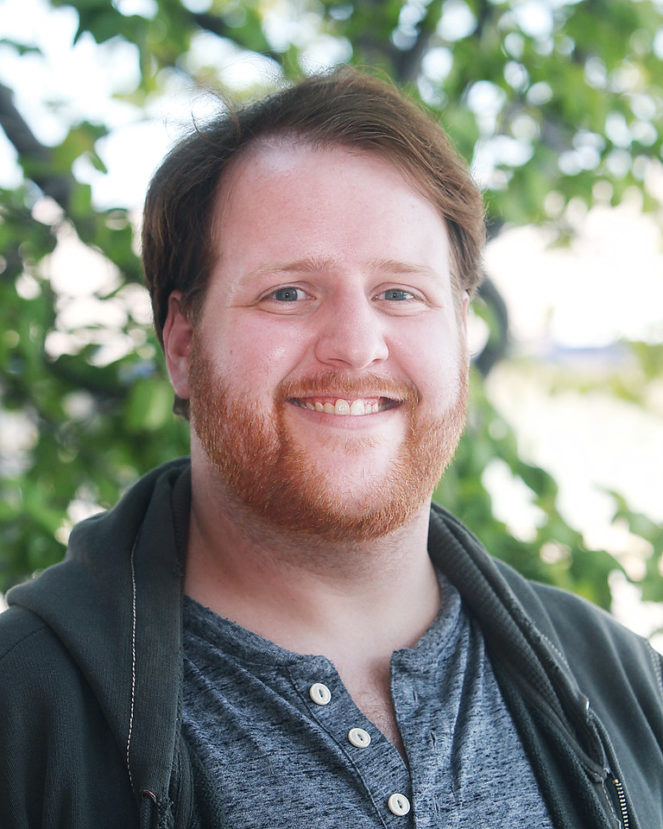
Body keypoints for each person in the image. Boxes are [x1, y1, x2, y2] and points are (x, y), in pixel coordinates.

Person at [0, 67, 661, 829]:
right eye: (287, 292)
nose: (354, 345)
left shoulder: (624, 687)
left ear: (459, 331)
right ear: (182, 343)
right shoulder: (23, 717)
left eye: (399, 293)